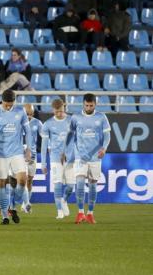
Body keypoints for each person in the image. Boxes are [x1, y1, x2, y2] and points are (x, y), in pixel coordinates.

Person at [0, 89, 33, 225]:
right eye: (6, 104)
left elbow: (28, 131)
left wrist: (28, 149)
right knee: (2, 184)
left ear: (14, 101)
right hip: (0, 154)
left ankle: (13, 203)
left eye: (11, 104)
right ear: (2, 101)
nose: (8, 107)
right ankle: (5, 216)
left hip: (17, 152)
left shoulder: (20, 111)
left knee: (22, 180)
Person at [66, 94, 110, 224]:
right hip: (80, 156)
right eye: (87, 105)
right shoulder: (76, 117)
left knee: (92, 185)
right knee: (79, 183)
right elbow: (70, 135)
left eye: (91, 105)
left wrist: (104, 148)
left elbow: (107, 136)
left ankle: (90, 213)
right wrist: (66, 150)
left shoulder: (101, 117)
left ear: (95, 104)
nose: (89, 108)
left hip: (95, 157)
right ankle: (80, 212)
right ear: (83, 104)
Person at [40, 99, 75, 219]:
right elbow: (44, 145)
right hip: (55, 157)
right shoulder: (48, 124)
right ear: (52, 110)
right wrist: (43, 163)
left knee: (71, 186)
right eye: (56, 112)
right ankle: (59, 211)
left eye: (61, 111)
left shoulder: (72, 120)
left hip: (70, 158)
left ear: (64, 107)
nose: (59, 114)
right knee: (57, 184)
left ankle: (64, 200)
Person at [21, 104, 43, 214]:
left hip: (33, 156)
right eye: (27, 114)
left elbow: (45, 136)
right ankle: (26, 204)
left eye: (31, 114)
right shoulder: (17, 123)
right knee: (23, 180)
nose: (29, 116)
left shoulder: (37, 123)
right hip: (20, 156)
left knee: (30, 180)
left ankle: (25, 203)